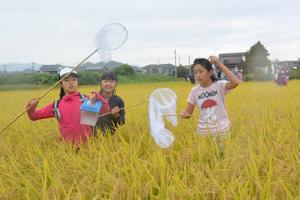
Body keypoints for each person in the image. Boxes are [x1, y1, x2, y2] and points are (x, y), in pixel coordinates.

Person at [26, 68, 110, 145]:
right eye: (66, 80)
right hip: (68, 149)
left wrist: (99, 98)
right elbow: (34, 116)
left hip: (88, 147)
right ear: (61, 84)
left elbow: (106, 111)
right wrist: (31, 106)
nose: (71, 82)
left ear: (77, 82)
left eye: (74, 79)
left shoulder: (86, 100)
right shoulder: (57, 105)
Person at [180, 56, 239, 144]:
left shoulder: (219, 86)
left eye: (201, 71)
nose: (197, 75)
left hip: (222, 131)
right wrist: (183, 114)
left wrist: (218, 63)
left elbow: (235, 82)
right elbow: (188, 113)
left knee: (222, 157)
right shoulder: (194, 91)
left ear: (210, 72)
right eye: (195, 72)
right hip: (203, 133)